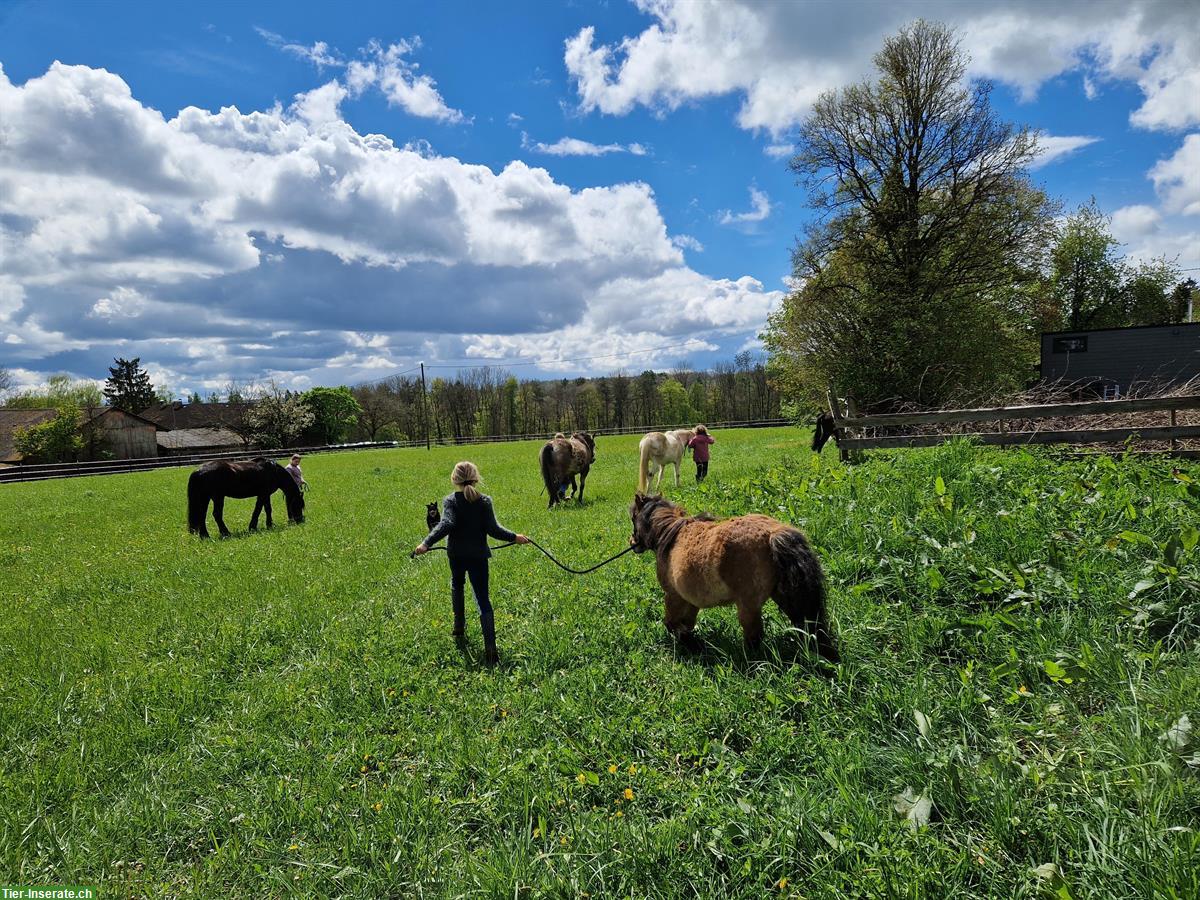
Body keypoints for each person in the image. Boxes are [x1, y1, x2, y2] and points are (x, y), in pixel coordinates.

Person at [412, 462, 529, 665]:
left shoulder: (450, 500)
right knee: (483, 598)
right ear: (476, 478)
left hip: (456, 555)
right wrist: (514, 537)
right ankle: (491, 650)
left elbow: (446, 523)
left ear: (454, 479)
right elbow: (494, 530)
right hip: (478, 557)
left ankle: (459, 626)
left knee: (457, 584)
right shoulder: (484, 501)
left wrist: (426, 543)